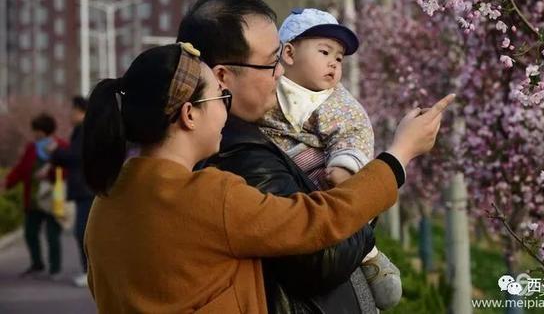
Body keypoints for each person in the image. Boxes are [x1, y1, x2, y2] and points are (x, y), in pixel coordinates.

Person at [82, 42, 454, 313]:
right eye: (219, 99)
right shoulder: (210, 197)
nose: (227, 112)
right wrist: (399, 155)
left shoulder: (105, 204)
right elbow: (318, 221)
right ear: (189, 114)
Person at [177, 0, 452, 313]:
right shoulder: (239, 155)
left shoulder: (249, 137)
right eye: (270, 63)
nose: (279, 73)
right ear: (223, 76)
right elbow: (321, 258)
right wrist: (398, 157)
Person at [258, 7, 402, 310]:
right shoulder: (266, 88)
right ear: (289, 53)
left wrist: (344, 165)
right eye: (324, 52)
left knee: (345, 225)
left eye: (339, 58)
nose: (333, 64)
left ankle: (369, 255)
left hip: (326, 183)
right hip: (285, 187)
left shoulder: (336, 101)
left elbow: (354, 133)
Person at [0, 113, 67, 279]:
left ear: (43, 131)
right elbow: (22, 169)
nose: (34, 134)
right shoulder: (32, 148)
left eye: (36, 130)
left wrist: (49, 172)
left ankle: (55, 269)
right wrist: (7, 182)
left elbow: (68, 169)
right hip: (33, 199)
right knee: (30, 233)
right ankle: (37, 264)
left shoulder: (61, 146)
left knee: (52, 234)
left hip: (53, 198)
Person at [49, 95, 93, 287]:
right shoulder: (82, 130)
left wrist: (55, 151)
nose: (69, 114)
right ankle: (89, 271)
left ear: (79, 111)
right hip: (85, 188)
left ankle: (89, 272)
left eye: (72, 110)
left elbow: (75, 156)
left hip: (86, 188)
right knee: (82, 231)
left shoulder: (84, 130)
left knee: (82, 232)